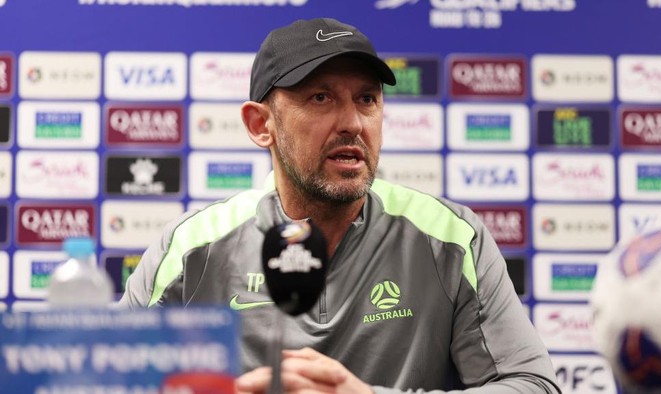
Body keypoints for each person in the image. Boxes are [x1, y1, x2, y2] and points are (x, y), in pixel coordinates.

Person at [119, 17, 560, 394]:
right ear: (261, 124)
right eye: (321, 98)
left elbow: (533, 385)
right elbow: (103, 381)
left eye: (366, 99)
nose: (352, 123)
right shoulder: (194, 248)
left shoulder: (451, 237)